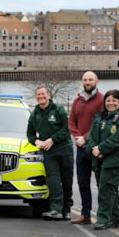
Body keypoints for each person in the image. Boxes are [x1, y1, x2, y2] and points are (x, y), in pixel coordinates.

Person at [86, 89, 119, 230]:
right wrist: (94, 148)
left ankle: (103, 219)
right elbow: (91, 137)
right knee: (110, 189)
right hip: (100, 161)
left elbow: (118, 139)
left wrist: (101, 149)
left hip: (115, 161)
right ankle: (117, 219)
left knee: (106, 190)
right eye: (108, 101)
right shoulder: (99, 118)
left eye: (114, 100)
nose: (111, 103)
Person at [27, 85, 74, 220]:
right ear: (36, 97)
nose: (41, 96)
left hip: (64, 149)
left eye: (43, 94)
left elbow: (67, 127)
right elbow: (30, 133)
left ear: (48, 95)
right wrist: (37, 142)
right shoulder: (34, 114)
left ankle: (66, 210)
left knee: (67, 180)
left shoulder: (58, 109)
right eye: (38, 95)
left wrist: (53, 139)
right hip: (48, 152)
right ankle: (55, 209)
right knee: (53, 180)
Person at [68, 71, 104, 224]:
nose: (88, 82)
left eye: (90, 79)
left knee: (101, 183)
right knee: (83, 182)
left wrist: (85, 137)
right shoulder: (77, 100)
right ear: (82, 82)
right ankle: (86, 214)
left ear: (97, 81)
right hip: (81, 147)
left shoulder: (102, 99)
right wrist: (78, 137)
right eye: (85, 80)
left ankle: (103, 216)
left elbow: (99, 122)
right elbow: (71, 121)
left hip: (96, 147)